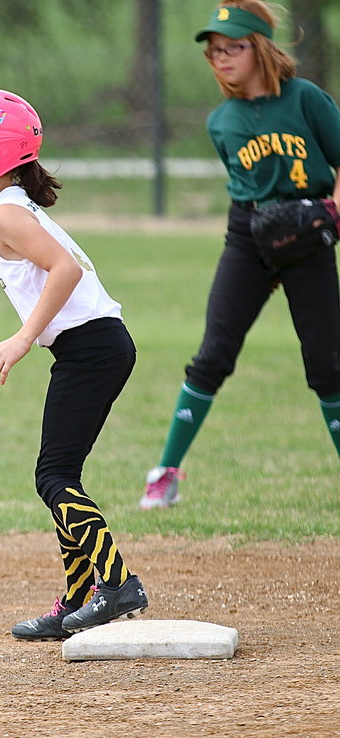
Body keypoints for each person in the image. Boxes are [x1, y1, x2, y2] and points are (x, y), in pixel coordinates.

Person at [0, 89, 148, 640]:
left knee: (55, 477)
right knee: (59, 474)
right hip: (90, 348)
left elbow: (66, 270)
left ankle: (118, 585)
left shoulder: (7, 215)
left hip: (92, 349)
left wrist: (22, 338)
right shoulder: (11, 207)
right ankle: (80, 597)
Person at [141, 1, 340, 510]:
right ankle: (165, 473)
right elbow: (244, 186)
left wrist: (332, 211)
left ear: (262, 48)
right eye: (215, 51)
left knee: (327, 364)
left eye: (235, 47)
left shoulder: (306, 100)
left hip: (308, 229)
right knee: (213, 354)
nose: (222, 57)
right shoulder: (221, 121)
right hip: (248, 234)